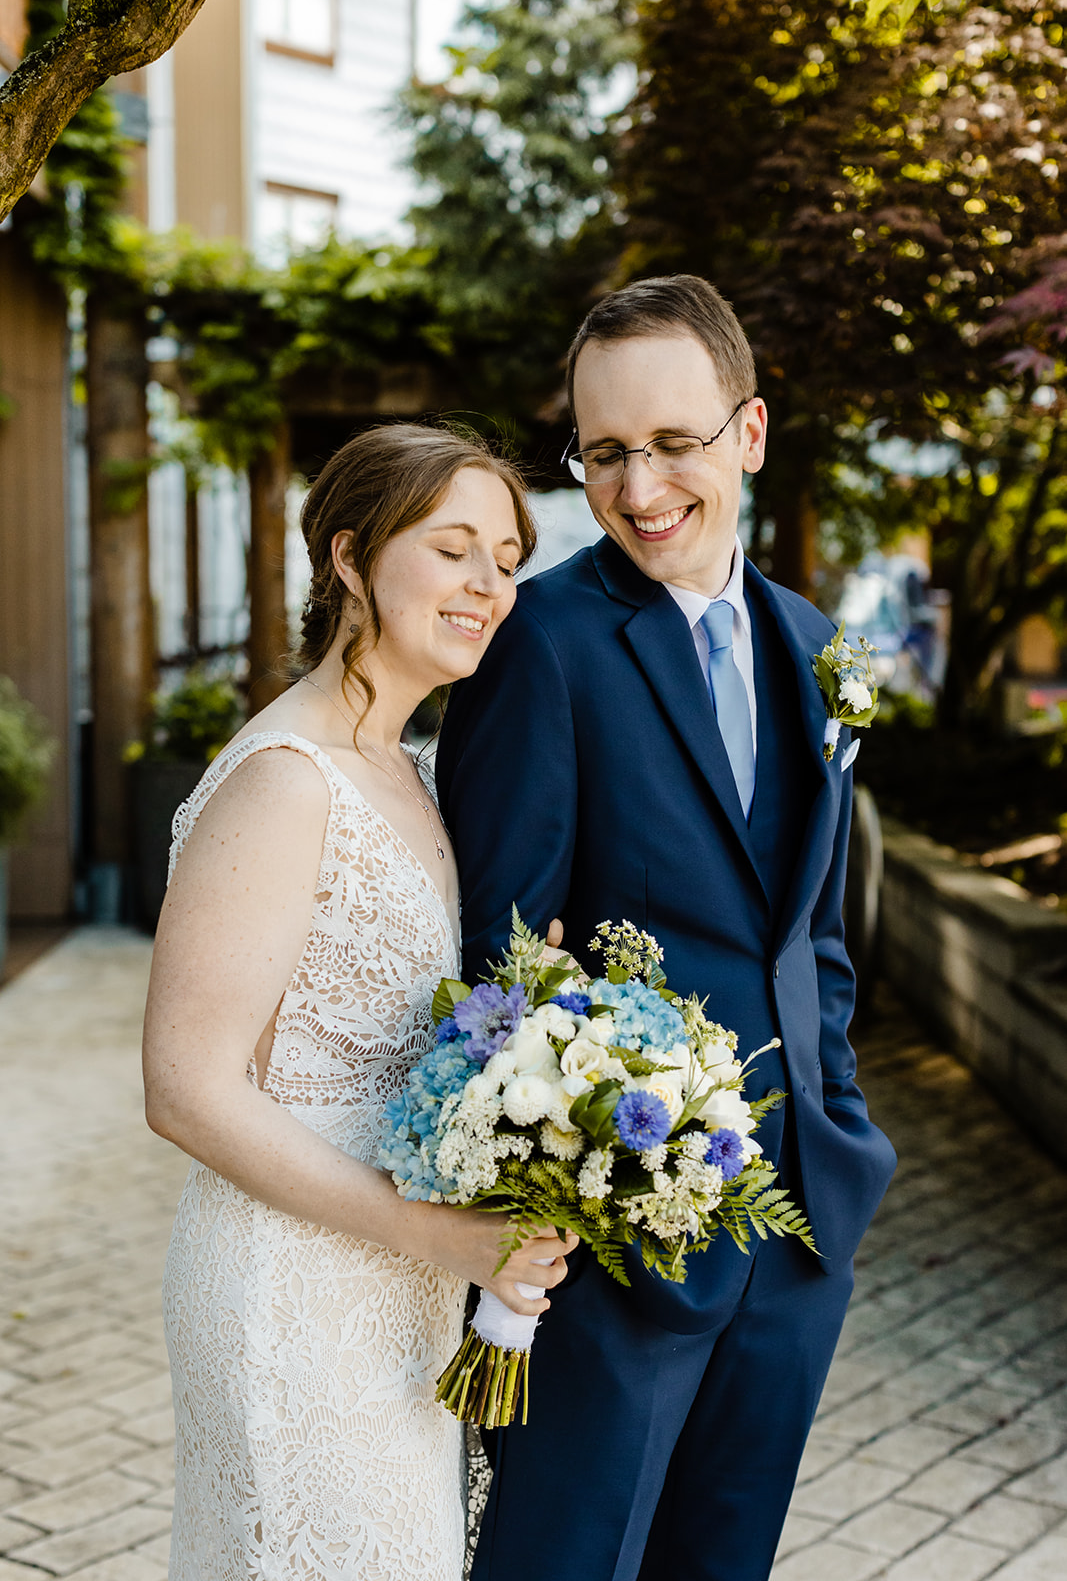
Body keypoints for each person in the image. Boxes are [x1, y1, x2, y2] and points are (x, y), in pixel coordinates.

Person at [435, 276, 898, 1581]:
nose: (638, 488)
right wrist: (545, 1200)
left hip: (794, 1235)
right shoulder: (544, 645)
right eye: (603, 454)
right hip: (613, 1249)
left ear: (746, 433)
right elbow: (495, 959)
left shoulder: (815, 647)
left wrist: (836, 1128)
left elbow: (810, 932)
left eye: (672, 444)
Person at [142, 422, 577, 1581]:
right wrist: (437, 1233)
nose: (489, 583)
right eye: (452, 548)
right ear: (348, 556)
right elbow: (184, 1089)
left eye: (506, 554)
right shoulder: (286, 782)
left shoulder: (407, 766)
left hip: (406, 1282)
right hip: (295, 1282)